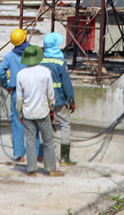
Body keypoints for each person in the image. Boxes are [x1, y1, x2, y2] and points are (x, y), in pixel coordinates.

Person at [16, 45, 63, 176]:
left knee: (30, 141)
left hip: (28, 112)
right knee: (48, 140)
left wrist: (20, 113)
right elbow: (50, 94)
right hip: (43, 110)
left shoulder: (21, 74)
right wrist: (52, 108)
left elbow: (19, 98)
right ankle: (51, 168)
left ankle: (31, 169)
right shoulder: (45, 72)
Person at [41, 31, 76, 165]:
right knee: (65, 125)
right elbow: (66, 84)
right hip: (59, 100)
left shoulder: (41, 61)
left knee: (46, 126)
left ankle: (46, 157)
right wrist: (71, 99)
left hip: (44, 100)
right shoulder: (61, 62)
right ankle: (64, 158)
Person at [0, 27, 30, 163]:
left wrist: (6, 85)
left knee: (17, 123)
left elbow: (0, 71)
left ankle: (20, 154)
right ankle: (38, 153)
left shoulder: (11, 56)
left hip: (17, 93)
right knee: (37, 121)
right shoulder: (32, 53)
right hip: (33, 92)